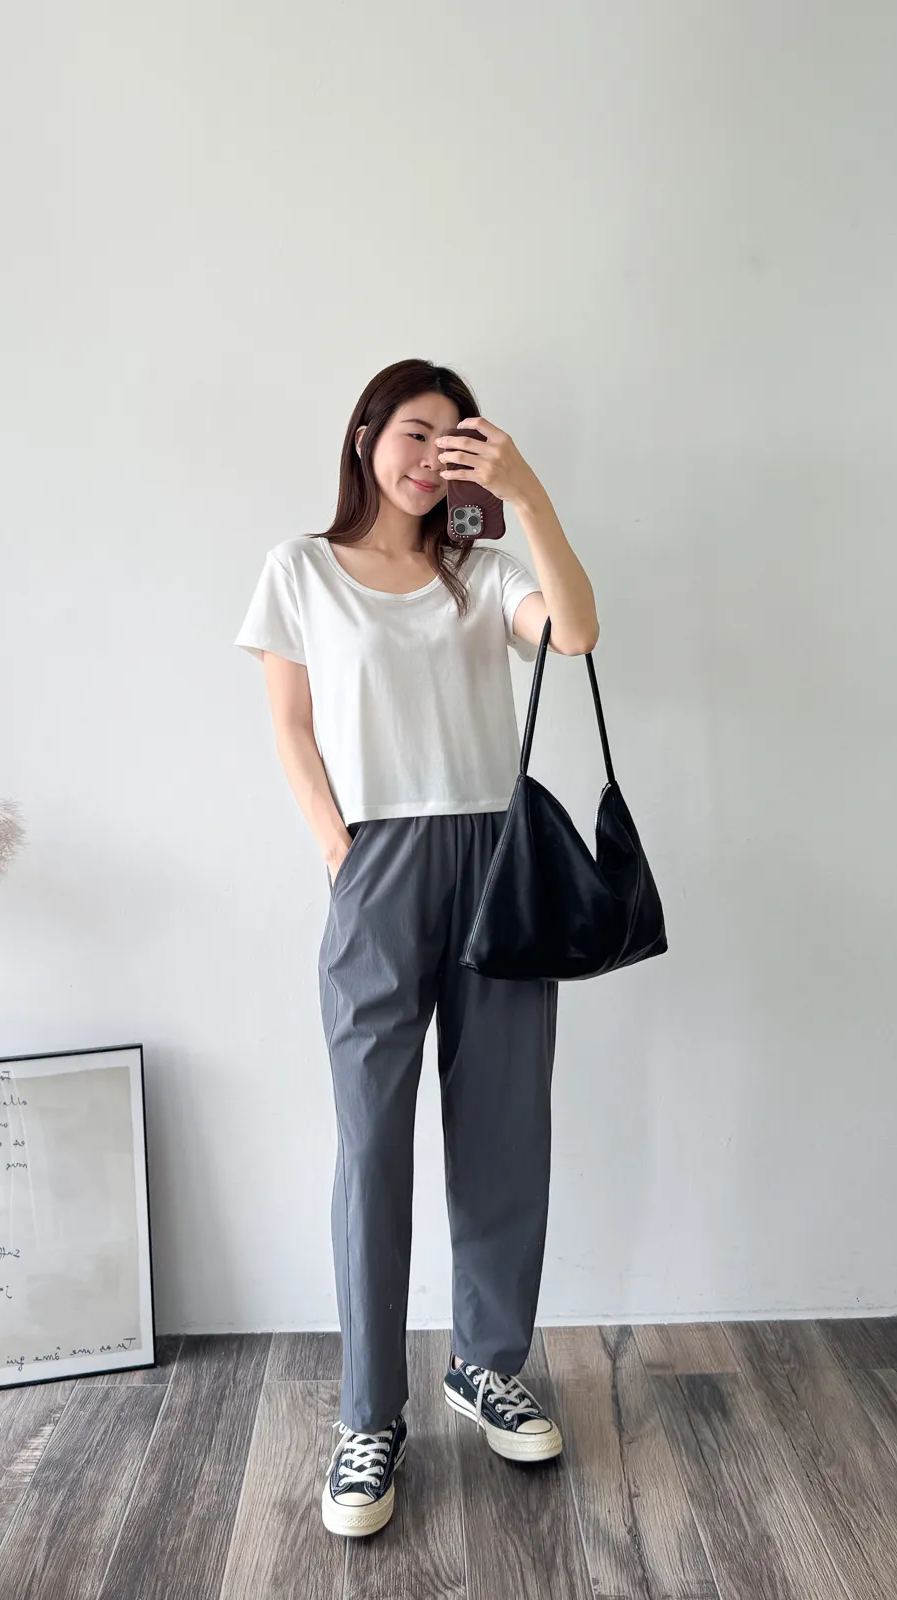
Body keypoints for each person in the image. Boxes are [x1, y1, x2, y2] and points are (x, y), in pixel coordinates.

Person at [234, 357, 600, 1539]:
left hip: (497, 860)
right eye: (413, 432)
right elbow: (291, 730)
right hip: (376, 866)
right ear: (365, 437)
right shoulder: (299, 569)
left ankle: (486, 1363)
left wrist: (523, 491)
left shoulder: (481, 572)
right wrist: (341, 852)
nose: (432, 456)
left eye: (455, 440)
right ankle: (367, 1416)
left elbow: (578, 632)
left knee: (504, 1130)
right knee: (371, 1145)